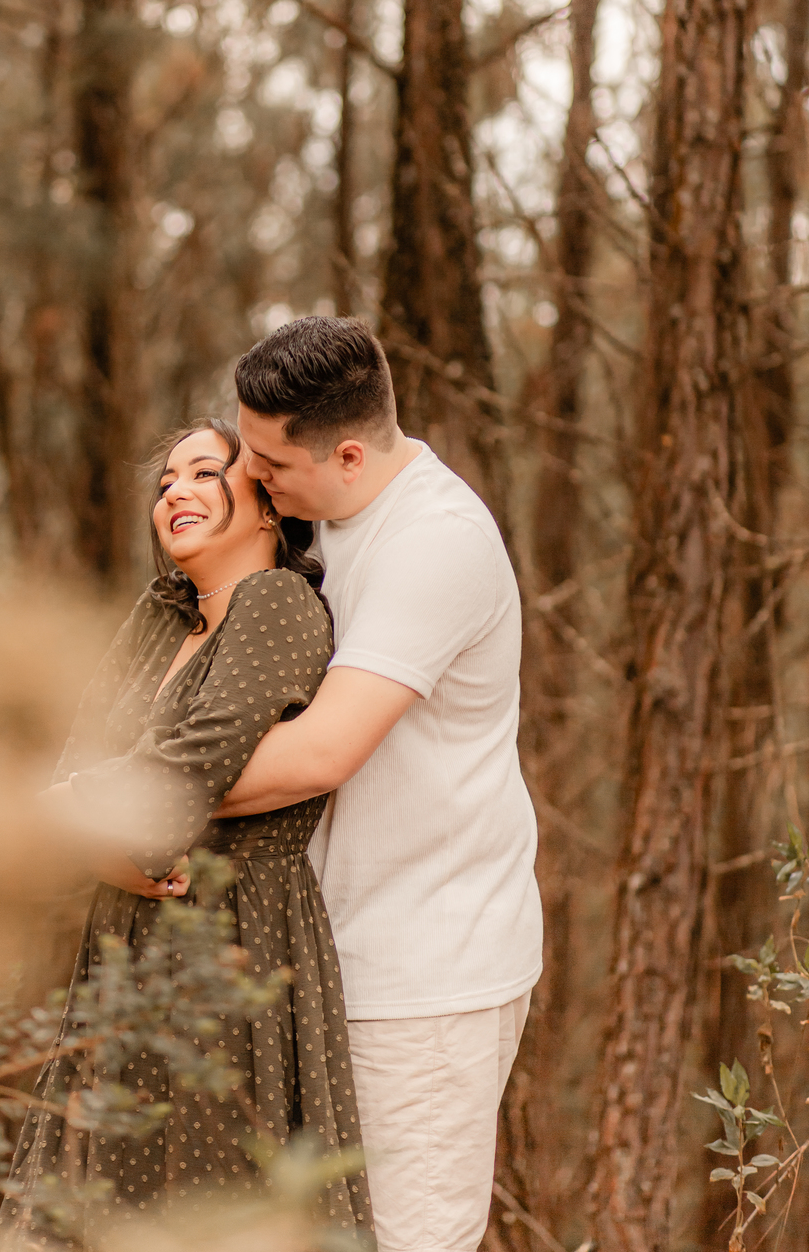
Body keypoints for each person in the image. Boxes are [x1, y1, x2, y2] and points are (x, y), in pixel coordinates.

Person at [0, 418, 371, 1249]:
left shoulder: (276, 602)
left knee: (208, 1196)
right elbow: (75, 761)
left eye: (204, 472)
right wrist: (97, 837)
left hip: (232, 932)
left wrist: (89, 811)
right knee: (98, 1196)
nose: (175, 492)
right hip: (124, 934)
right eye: (165, 481)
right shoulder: (161, 615)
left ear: (267, 503)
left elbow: (195, 765)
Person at [218, 316, 542, 1252]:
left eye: (270, 462)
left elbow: (322, 753)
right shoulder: (327, 515)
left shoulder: (436, 541)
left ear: (350, 455)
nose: (250, 477)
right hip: (335, 957)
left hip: (424, 978)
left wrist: (140, 798)